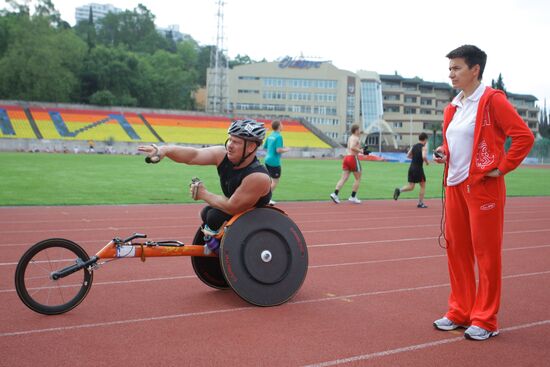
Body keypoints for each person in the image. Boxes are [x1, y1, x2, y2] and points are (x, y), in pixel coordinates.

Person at [432, 45, 534, 341]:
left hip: (482, 188)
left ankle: (486, 319)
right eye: (450, 68)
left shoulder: (492, 101)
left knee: (486, 255)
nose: (450, 73)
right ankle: (460, 311)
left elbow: (523, 137)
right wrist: (443, 151)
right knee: (457, 252)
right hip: (454, 186)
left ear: (475, 70)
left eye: (456, 68)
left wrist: (502, 168)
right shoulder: (453, 106)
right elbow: (453, 144)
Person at [138, 119, 272, 252]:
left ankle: (228, 251)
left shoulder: (258, 177)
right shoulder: (222, 155)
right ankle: (218, 247)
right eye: (230, 139)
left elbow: (232, 207)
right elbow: (193, 156)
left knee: (214, 216)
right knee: (208, 213)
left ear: (251, 147)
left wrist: (204, 194)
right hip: (238, 214)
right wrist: (165, 150)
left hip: (255, 223)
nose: (230, 145)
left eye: (236, 142)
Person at [393, 132, 430, 208]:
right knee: (423, 185)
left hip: (411, 167)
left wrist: (415, 158)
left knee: (411, 186)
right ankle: (420, 203)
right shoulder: (424, 147)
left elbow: (408, 155)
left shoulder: (414, 146)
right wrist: (427, 162)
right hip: (418, 169)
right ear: (425, 139)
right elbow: (423, 156)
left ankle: (399, 190)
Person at [330, 124, 362, 204]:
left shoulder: (350, 137)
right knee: (358, 178)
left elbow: (352, 147)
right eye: (358, 129)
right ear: (356, 130)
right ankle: (353, 196)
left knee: (343, 178)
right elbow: (352, 147)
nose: (359, 131)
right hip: (353, 158)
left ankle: (335, 194)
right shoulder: (356, 138)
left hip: (346, 158)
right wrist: (361, 151)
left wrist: (361, 149)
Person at [263, 120, 290, 205]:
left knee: (269, 180)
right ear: (278, 126)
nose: (282, 126)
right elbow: (278, 150)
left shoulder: (270, 135)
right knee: (275, 181)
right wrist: (286, 149)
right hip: (274, 161)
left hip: (267, 159)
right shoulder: (279, 136)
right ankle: (266, 199)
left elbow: (265, 147)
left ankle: (264, 197)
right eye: (281, 124)